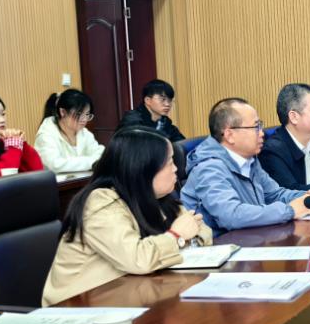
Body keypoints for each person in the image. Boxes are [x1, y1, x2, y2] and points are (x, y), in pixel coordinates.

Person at [42, 128, 212, 306]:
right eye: (169, 162)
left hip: (126, 296)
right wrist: (177, 236)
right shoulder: (100, 203)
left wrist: (183, 239)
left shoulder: (157, 197)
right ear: (143, 169)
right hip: (78, 308)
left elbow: (203, 231)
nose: (176, 169)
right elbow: (138, 259)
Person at [180, 97, 310, 233]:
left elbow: (274, 194)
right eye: (256, 127)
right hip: (220, 243)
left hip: (251, 238)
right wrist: (290, 211)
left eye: (260, 126)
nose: (262, 133)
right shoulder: (209, 168)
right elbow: (231, 215)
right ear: (229, 135)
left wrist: (304, 198)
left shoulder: (249, 160)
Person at [34, 89, 105, 173]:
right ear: (63, 112)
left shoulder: (84, 132)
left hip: (82, 179)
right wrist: (92, 162)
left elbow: (101, 154)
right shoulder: (46, 135)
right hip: (55, 181)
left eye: (87, 114)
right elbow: (55, 165)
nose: (84, 119)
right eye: (79, 114)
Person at [117, 79, 185, 141]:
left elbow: (182, 143)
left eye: (170, 100)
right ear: (148, 100)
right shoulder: (133, 120)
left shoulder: (166, 123)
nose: (167, 104)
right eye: (162, 99)